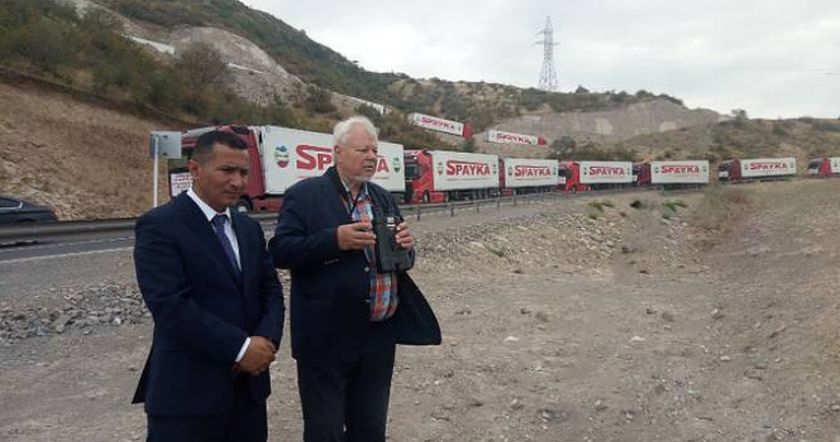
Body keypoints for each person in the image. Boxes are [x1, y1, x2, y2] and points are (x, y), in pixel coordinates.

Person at [270, 116, 440, 442]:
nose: (372, 157)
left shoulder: (382, 197)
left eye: (375, 151)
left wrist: (406, 248)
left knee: (370, 431)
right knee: (326, 432)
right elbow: (281, 252)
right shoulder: (304, 195)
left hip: (377, 338)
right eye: (363, 150)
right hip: (326, 339)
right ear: (337, 152)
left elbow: (402, 261)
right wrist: (334, 240)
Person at [132, 130, 285, 442]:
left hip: (248, 393)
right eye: (226, 170)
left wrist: (265, 341)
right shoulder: (160, 226)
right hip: (188, 397)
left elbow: (270, 290)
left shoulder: (248, 228)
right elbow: (171, 307)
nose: (238, 182)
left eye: (243, 172)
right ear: (195, 169)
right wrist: (240, 348)